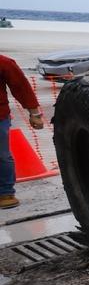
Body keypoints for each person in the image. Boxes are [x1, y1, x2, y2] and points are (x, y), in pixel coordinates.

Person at [1, 53, 45, 209]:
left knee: (2, 156)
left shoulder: (4, 63)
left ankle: (5, 193)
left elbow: (21, 88)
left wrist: (35, 114)